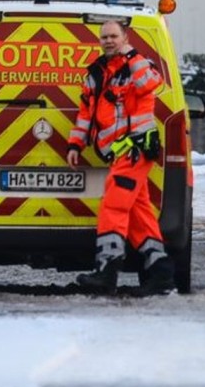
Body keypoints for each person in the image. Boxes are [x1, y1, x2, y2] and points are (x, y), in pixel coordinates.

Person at [67, 19, 175, 295]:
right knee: (139, 214)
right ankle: (160, 272)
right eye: (104, 37)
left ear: (125, 38)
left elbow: (152, 83)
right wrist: (75, 145)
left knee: (113, 206)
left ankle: (106, 271)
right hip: (118, 154)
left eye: (114, 36)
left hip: (135, 149)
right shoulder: (95, 73)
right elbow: (85, 114)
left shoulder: (138, 65)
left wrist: (131, 55)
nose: (108, 41)